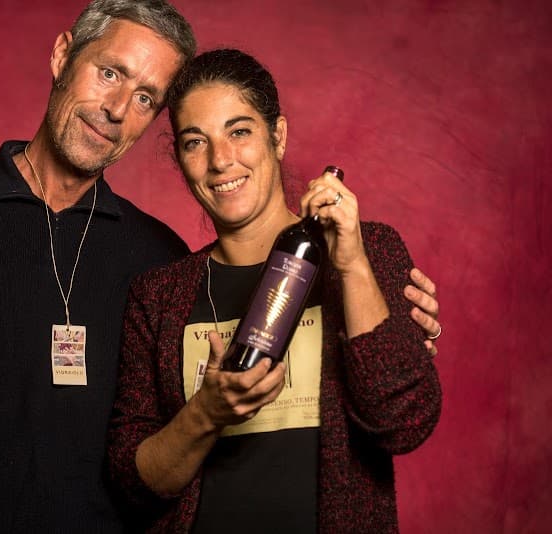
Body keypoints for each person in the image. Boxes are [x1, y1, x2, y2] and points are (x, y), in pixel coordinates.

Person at [0, 3, 441, 532]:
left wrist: (372, 298)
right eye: (110, 73)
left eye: (145, 98)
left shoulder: (153, 256)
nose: (116, 108)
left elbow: (394, 411)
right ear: (61, 55)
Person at [106, 49, 442, 533]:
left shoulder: (370, 250)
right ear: (179, 159)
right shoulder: (158, 295)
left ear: (277, 136)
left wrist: (350, 265)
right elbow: (132, 484)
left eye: (239, 131)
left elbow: (403, 420)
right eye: (195, 142)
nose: (221, 161)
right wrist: (206, 413)